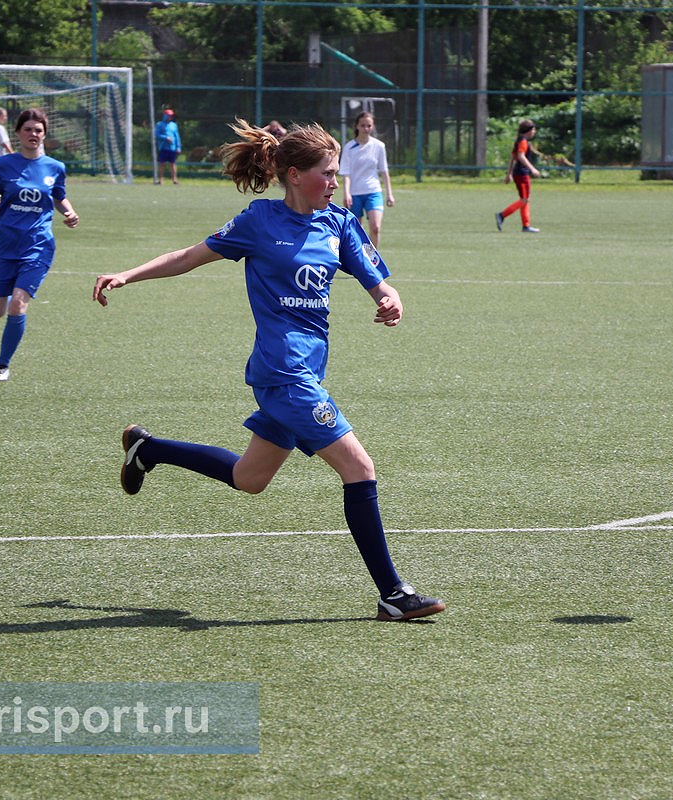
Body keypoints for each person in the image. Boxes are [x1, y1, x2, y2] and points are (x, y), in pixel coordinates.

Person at [92, 119, 446, 623]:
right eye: (326, 173)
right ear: (294, 175)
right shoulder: (259, 222)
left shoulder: (340, 223)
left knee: (249, 477)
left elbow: (379, 282)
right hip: (283, 374)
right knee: (359, 469)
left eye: (335, 172)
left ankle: (148, 449)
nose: (333, 181)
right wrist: (128, 274)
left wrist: (392, 301)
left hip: (309, 371)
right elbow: (189, 257)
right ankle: (393, 592)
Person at [0, 108, 79, 382]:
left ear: (44, 134)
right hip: (3, 243)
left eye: (39, 130)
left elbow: (58, 196)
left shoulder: (55, 167)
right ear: (18, 132)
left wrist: (69, 211)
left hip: (37, 244)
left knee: (18, 305)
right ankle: (11, 293)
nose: (34, 134)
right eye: (28, 129)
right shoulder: (3, 165)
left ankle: (2, 365)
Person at [339, 111, 395, 249]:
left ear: (373, 126)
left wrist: (389, 194)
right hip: (355, 193)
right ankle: (359, 259)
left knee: (375, 228)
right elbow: (346, 174)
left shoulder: (379, 146)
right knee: (356, 231)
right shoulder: (349, 147)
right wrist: (346, 193)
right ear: (357, 126)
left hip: (373, 191)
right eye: (363, 125)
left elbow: (384, 171)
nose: (366, 128)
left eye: (369, 125)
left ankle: (372, 258)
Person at [495, 118, 542, 234]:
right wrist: (532, 169)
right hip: (522, 173)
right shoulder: (523, 141)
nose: (534, 131)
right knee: (524, 200)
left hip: (519, 173)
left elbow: (512, 158)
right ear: (528, 130)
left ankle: (526, 226)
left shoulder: (519, 140)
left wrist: (509, 174)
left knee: (525, 199)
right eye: (533, 129)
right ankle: (502, 215)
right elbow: (520, 156)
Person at [154, 107, 181, 185]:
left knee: (173, 164)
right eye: (168, 115)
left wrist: (178, 147)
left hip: (172, 148)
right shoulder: (159, 124)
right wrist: (166, 138)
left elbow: (177, 136)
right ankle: (161, 180)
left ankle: (174, 180)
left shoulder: (174, 125)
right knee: (162, 164)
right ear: (165, 115)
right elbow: (157, 135)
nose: (170, 117)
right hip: (163, 147)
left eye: (171, 116)